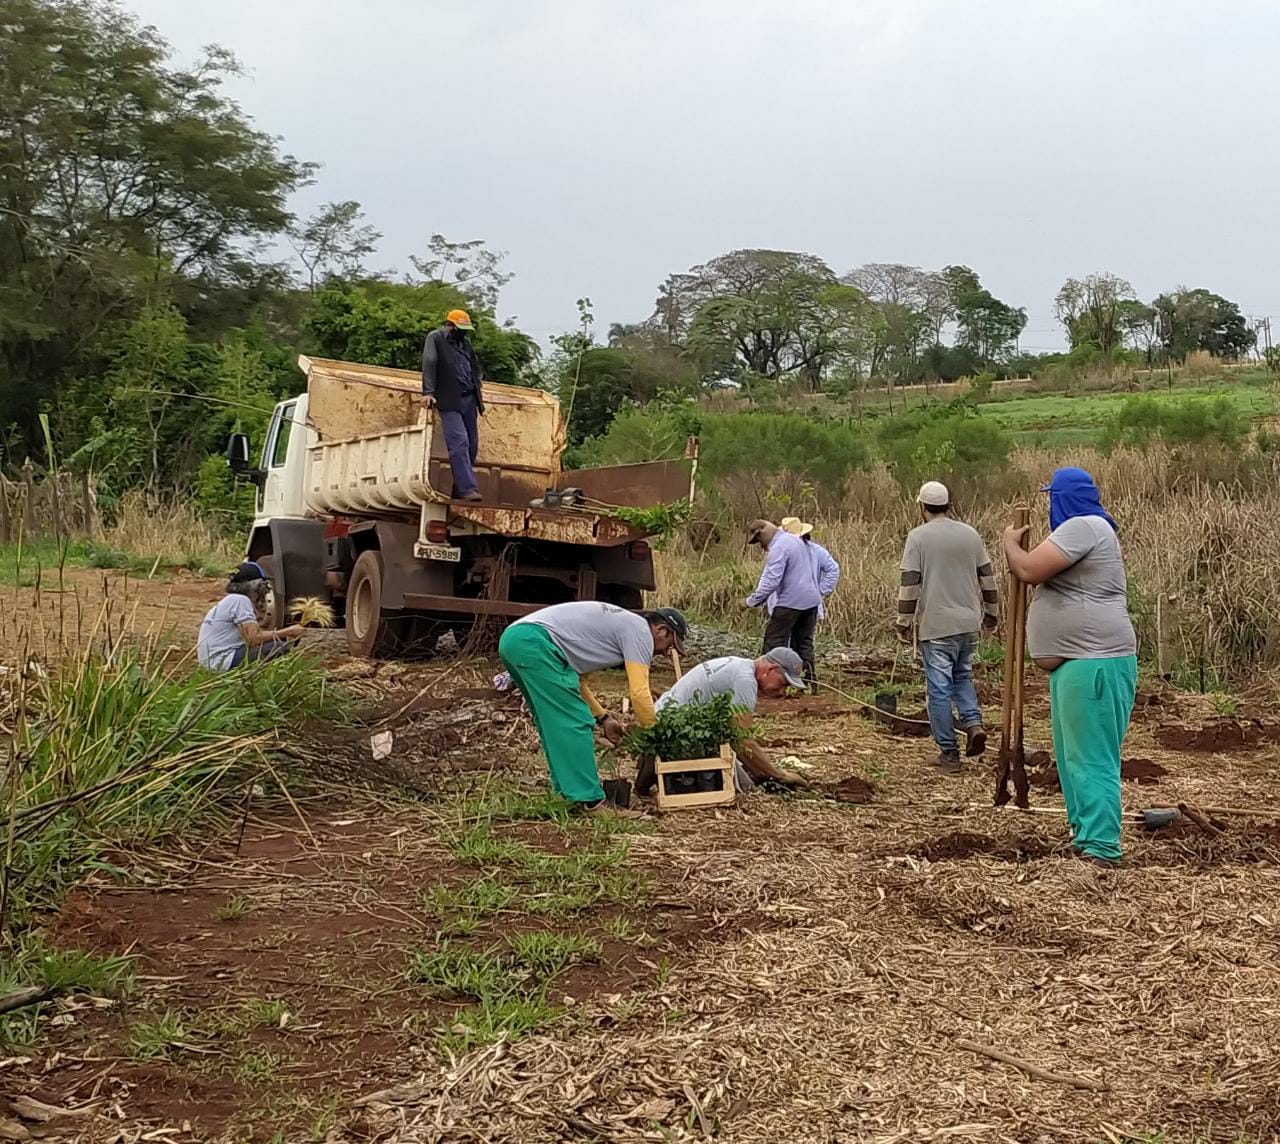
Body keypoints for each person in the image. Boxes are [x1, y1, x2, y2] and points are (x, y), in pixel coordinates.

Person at [1004, 467, 1137, 868]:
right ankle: (1085, 836)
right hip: (1077, 666)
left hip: (1093, 663)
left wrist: (1009, 543)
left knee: (1092, 757)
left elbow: (1027, 569)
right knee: (1073, 759)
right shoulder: (1087, 529)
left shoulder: (1086, 526)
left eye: (1052, 498)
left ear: (1062, 498)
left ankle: (1101, 847)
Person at [498, 602, 689, 819]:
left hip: (518, 639)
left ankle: (569, 792)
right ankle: (593, 802)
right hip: (534, 643)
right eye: (670, 645)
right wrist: (655, 739)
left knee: (554, 723)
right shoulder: (640, 632)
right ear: (662, 630)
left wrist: (604, 718)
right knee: (575, 721)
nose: (665, 653)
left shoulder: (621, 626)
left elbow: (577, 683)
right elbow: (639, 694)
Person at [895, 481, 999, 773]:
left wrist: (903, 622)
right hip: (968, 623)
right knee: (962, 676)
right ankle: (973, 723)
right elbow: (987, 578)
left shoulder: (917, 538)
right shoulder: (970, 534)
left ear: (922, 507)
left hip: (937, 626)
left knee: (939, 689)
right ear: (948, 504)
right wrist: (992, 614)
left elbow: (910, 585)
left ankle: (949, 753)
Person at [634, 649, 811, 796]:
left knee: (744, 775)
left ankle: (647, 775)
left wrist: (761, 770)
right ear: (770, 669)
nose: (781, 692)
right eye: (782, 683)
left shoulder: (735, 664)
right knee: (748, 792)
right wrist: (778, 775)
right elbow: (741, 740)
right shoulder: (745, 680)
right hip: (676, 736)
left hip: (660, 723)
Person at [743, 519, 822, 692]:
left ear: (762, 532)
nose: (762, 546)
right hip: (810, 601)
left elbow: (771, 581)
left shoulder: (779, 547)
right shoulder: (796, 541)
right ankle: (809, 684)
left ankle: (766, 686)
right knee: (804, 644)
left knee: (773, 644)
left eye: (760, 541)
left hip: (790, 601)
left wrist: (751, 601)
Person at [421, 308, 485, 502]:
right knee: (459, 441)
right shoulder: (436, 338)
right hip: (449, 398)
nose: (463, 332)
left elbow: (474, 366)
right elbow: (429, 362)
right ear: (450, 325)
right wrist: (428, 392)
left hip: (469, 399)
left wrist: (478, 383)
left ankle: (459, 489)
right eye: (460, 328)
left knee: (472, 445)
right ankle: (467, 489)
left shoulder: (465, 344)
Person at [769, 517, 840, 688]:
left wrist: (820, 590)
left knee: (778, 643)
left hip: (787, 604)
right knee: (803, 643)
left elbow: (833, 569)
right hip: (808, 604)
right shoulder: (814, 551)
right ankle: (807, 681)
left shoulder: (790, 550)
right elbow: (833, 569)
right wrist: (817, 592)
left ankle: (778, 682)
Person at [197, 562, 303, 671]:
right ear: (254, 585)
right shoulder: (240, 601)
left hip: (212, 661)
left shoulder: (231, 600)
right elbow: (254, 639)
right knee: (278, 647)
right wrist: (288, 632)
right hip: (221, 661)